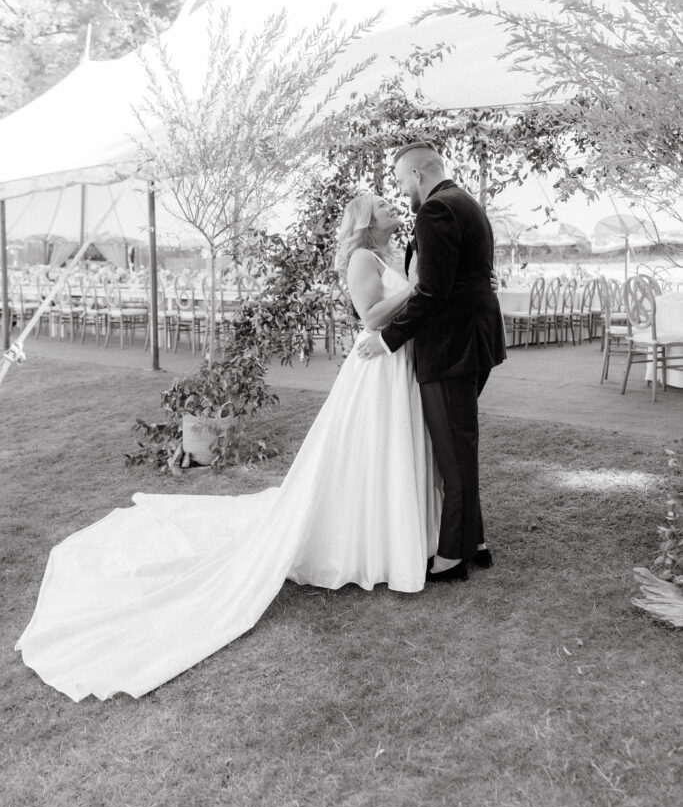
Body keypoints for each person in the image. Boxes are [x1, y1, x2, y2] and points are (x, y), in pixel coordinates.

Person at [16, 193, 443, 701]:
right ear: (367, 219)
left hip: (398, 366)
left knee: (385, 455)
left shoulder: (395, 255)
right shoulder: (362, 259)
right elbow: (371, 316)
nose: (394, 206)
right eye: (382, 203)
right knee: (370, 454)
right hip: (376, 371)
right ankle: (372, 540)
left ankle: (394, 532)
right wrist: (416, 288)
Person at [357, 142, 506, 582]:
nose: (403, 192)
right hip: (475, 341)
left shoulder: (436, 209)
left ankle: (452, 556)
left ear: (418, 175)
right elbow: (469, 276)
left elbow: (432, 291)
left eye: (402, 181)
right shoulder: (467, 203)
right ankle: (474, 543)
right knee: (461, 446)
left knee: (453, 454)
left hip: (449, 347)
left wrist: (387, 340)